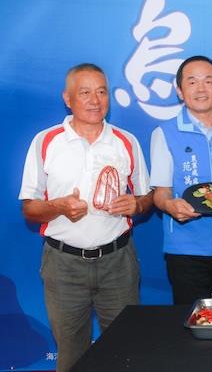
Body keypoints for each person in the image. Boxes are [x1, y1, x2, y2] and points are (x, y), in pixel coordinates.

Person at [18, 63, 153, 372]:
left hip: (118, 263)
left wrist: (136, 204)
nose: (95, 100)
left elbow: (147, 198)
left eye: (102, 92)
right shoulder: (46, 141)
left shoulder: (126, 141)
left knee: (125, 351)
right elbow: (29, 208)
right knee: (71, 353)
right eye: (85, 93)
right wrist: (59, 207)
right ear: (68, 99)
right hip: (63, 265)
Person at [150, 55, 212, 305]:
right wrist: (170, 205)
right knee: (190, 319)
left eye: (208, 81)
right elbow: (160, 193)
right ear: (179, 91)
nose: (201, 89)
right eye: (192, 82)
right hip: (185, 248)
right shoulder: (165, 133)